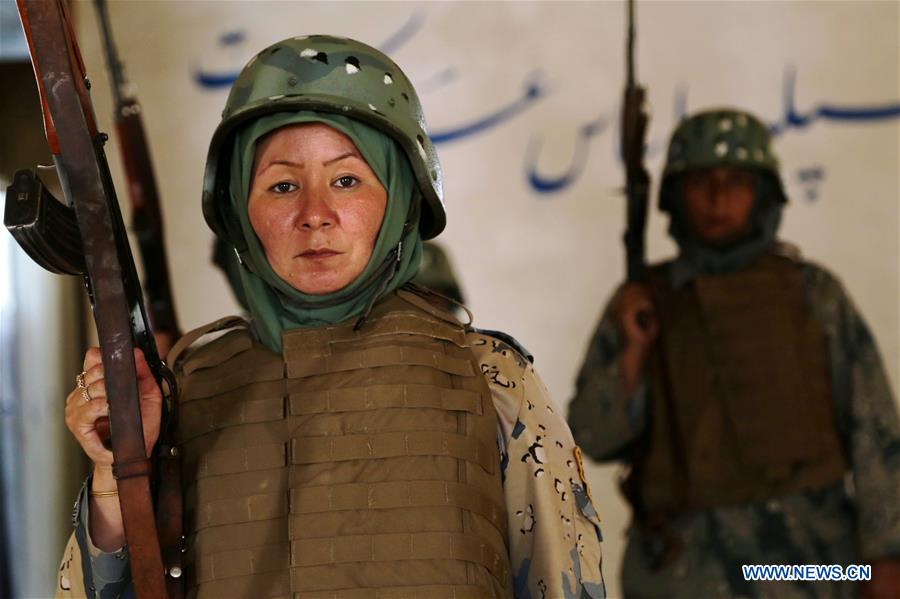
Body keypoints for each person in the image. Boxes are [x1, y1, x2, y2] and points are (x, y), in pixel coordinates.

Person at [57, 35, 605, 598]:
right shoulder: (185, 389)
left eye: (346, 180)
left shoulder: (491, 380)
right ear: (240, 210)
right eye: (281, 185)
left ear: (398, 197)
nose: (314, 215)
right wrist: (116, 467)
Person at [568, 108, 900, 598]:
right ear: (676, 197)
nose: (718, 198)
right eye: (702, 181)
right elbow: (592, 439)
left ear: (763, 194)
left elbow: (874, 430)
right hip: (683, 575)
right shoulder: (643, 302)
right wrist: (633, 352)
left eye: (737, 181)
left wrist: (884, 558)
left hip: (809, 569)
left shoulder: (813, 294)